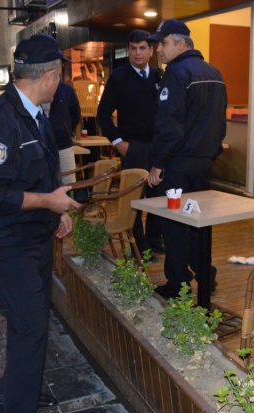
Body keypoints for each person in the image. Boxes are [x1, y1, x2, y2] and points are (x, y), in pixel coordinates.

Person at [0, 34, 80, 413]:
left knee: (32, 322)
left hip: (33, 234)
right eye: (60, 74)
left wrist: (56, 209)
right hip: (7, 241)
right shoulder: (0, 122)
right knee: (29, 326)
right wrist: (48, 202)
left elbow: (43, 175)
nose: (60, 81)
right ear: (50, 75)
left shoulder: (36, 115)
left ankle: (25, 388)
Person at [146, 19, 227, 301]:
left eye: (163, 43)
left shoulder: (176, 73)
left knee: (174, 225)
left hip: (177, 165)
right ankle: (205, 273)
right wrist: (210, 155)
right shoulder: (214, 72)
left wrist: (158, 163)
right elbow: (220, 124)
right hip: (203, 165)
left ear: (182, 44)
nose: (158, 50)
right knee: (196, 222)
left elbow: (169, 125)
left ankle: (178, 283)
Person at [97, 29, 164, 256]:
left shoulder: (159, 76)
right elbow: (103, 114)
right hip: (132, 147)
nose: (137, 53)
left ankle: (154, 241)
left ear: (151, 50)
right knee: (134, 199)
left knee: (158, 197)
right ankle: (139, 247)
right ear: (128, 50)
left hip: (158, 147)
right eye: (133, 48)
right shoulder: (119, 77)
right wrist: (118, 143)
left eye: (142, 48)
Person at [48, 81, 81, 184]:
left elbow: (76, 114)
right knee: (44, 182)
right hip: (40, 145)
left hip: (64, 144)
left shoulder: (66, 90)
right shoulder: (35, 88)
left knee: (69, 182)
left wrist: (66, 130)